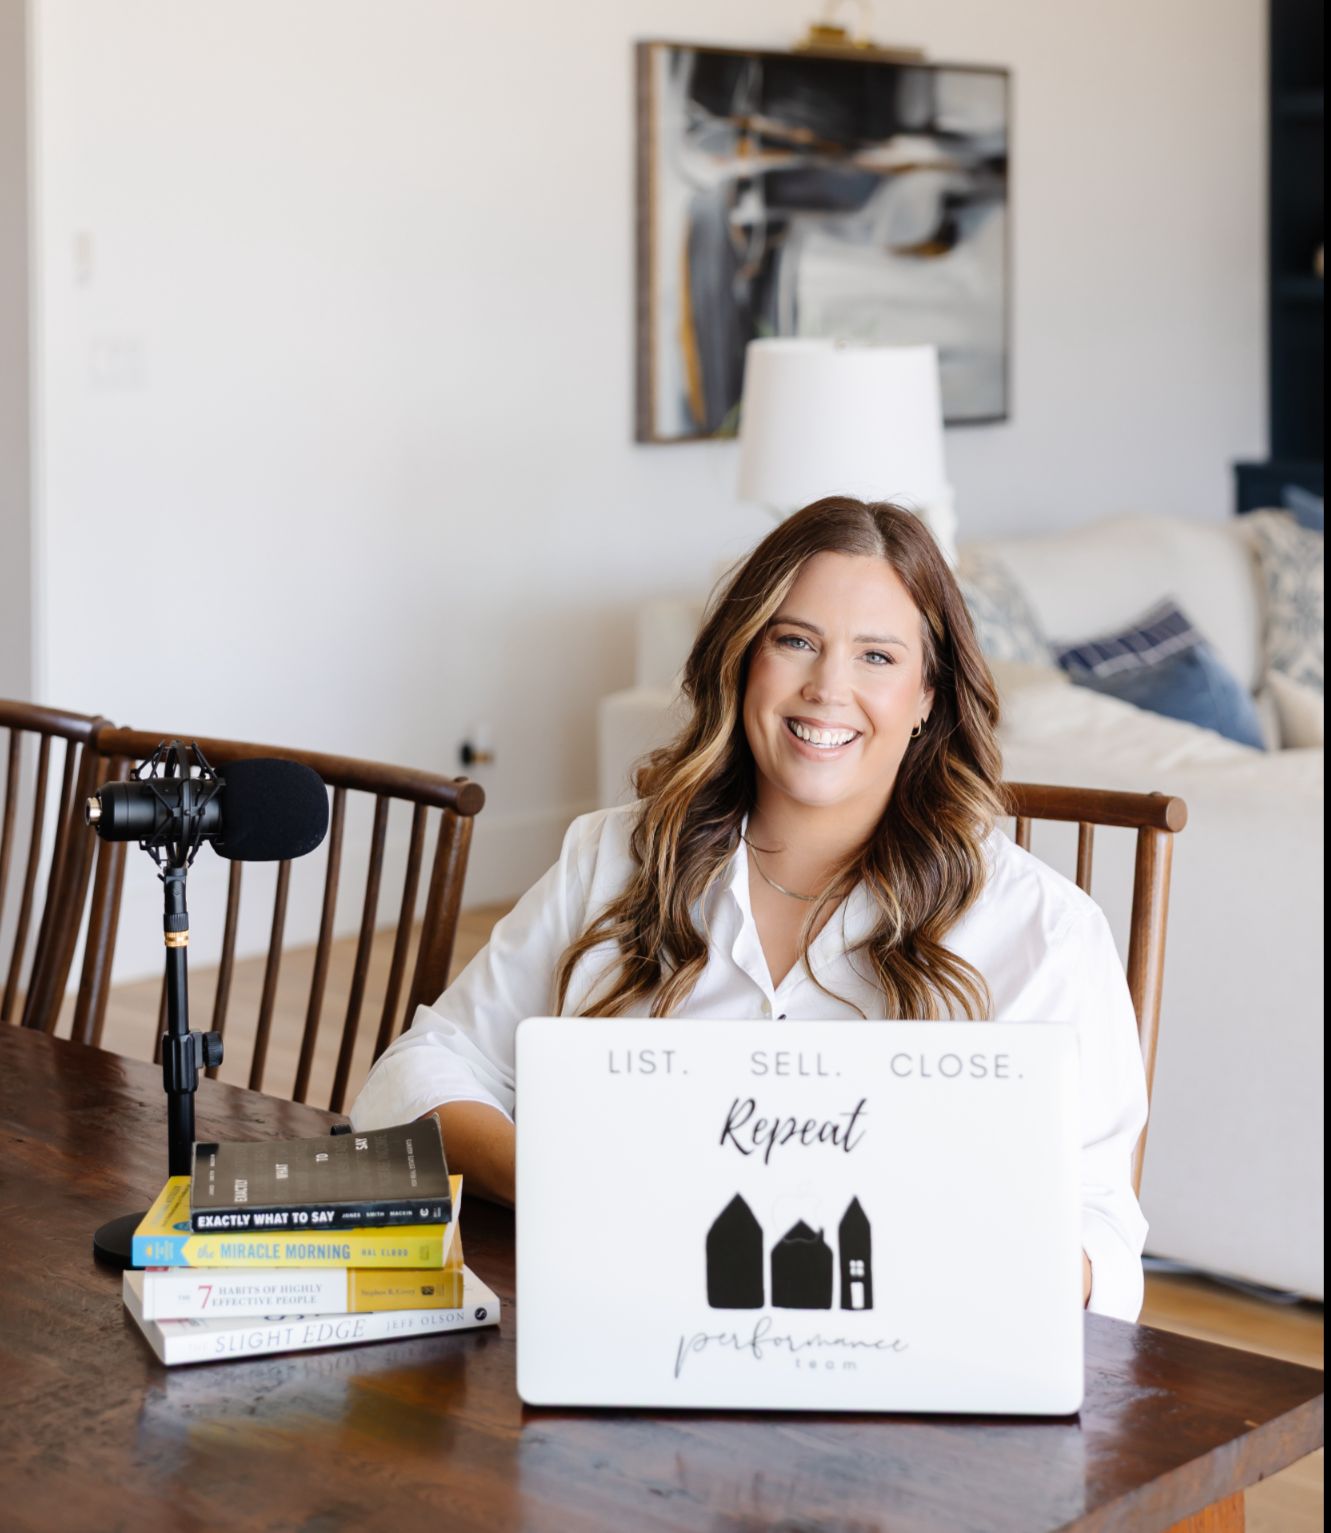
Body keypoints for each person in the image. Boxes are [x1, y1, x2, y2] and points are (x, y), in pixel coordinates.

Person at [351, 497, 1149, 1320]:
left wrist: (961, 1255)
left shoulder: (1042, 932)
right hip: (619, 1319)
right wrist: (554, 1176)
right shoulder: (614, 857)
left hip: (903, 1349)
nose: (827, 688)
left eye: (876, 655)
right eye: (794, 640)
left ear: (926, 696)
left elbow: (1101, 1232)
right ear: (741, 658)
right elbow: (418, 1071)